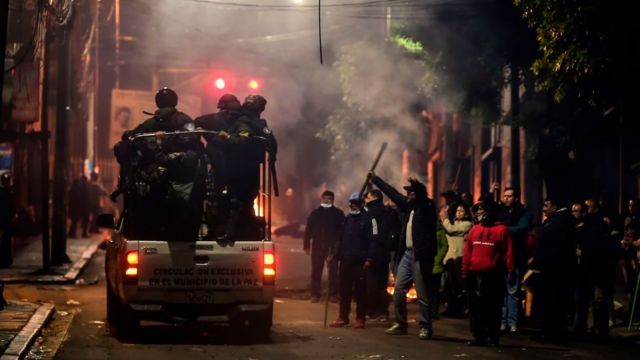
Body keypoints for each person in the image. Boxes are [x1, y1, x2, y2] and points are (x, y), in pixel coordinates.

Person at [370, 173, 437, 340]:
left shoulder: (427, 207)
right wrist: (376, 179)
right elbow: (392, 193)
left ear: (418, 194)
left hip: (420, 255)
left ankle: (425, 326)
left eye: (411, 192)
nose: (407, 195)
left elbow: (421, 196)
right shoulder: (409, 207)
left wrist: (416, 185)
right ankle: (400, 324)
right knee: (399, 290)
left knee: (422, 294)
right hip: (407, 254)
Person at [462, 200, 514, 347]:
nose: (479, 213)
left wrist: (510, 272)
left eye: (482, 210)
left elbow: (508, 253)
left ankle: (493, 336)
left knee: (493, 307)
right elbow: (468, 252)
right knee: (476, 308)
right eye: (478, 210)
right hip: (474, 274)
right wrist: (465, 271)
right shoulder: (475, 230)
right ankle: (479, 336)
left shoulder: (502, 230)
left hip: (493, 274)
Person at [329, 192, 377, 328]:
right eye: (351, 203)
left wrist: (370, 258)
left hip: (360, 262)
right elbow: (340, 239)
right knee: (344, 290)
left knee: (360, 291)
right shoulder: (347, 219)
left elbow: (374, 240)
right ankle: (343, 317)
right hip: (345, 261)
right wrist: (334, 254)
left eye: (355, 203)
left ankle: (360, 318)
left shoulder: (369, 220)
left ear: (361, 204)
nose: (353, 205)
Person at [531, 198, 575, 342]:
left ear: (554, 207)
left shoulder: (559, 219)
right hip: (553, 266)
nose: (544, 209)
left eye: (546, 206)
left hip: (554, 267)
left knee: (551, 300)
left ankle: (551, 332)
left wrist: (540, 231)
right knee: (551, 300)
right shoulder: (559, 219)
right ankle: (550, 331)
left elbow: (543, 235)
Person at [572, 202, 611, 339]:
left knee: (595, 300)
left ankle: (597, 328)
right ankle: (594, 328)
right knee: (591, 300)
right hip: (589, 270)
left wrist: (584, 252)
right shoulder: (590, 226)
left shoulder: (595, 226)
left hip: (595, 269)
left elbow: (600, 247)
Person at [498, 187, 532, 333]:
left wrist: (504, 230)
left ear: (516, 198)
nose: (506, 198)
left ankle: (512, 322)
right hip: (500, 256)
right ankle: (503, 321)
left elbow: (522, 227)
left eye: (509, 196)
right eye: (504, 196)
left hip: (516, 256)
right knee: (502, 292)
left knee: (512, 291)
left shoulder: (523, 213)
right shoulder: (501, 211)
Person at [304, 190, 345, 303]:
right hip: (317, 247)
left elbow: (342, 232)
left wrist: (339, 247)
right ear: (321, 199)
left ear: (333, 200)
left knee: (333, 273)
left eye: (329, 199)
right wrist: (306, 245)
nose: (327, 200)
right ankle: (315, 294)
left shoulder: (338, 214)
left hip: (332, 248)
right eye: (325, 198)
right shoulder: (315, 214)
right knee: (316, 271)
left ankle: (333, 294)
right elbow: (308, 230)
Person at [364, 189, 394, 321]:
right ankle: (382, 311)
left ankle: (375, 311)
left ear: (374, 198)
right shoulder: (387, 211)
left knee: (372, 284)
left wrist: (370, 254)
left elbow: (374, 233)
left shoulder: (372, 213)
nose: (366, 199)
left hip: (374, 252)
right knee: (381, 284)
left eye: (368, 197)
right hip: (384, 253)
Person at [441, 204, 473, 317]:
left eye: (462, 210)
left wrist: (444, 219)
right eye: (457, 210)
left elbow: (451, 230)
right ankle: (451, 308)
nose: (458, 212)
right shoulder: (452, 222)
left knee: (458, 286)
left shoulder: (467, 224)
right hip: (449, 258)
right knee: (448, 286)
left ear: (467, 213)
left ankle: (460, 309)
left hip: (459, 258)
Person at [0, 171, 16, 268]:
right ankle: (5, 260)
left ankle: (6, 259)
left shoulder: (9, 192)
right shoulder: (8, 192)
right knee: (5, 241)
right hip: (5, 220)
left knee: (6, 241)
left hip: (6, 220)